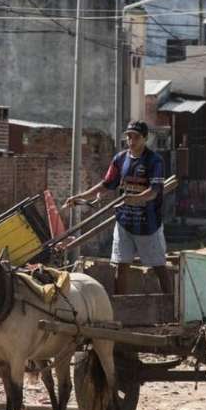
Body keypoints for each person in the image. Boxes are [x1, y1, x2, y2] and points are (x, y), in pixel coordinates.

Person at [64, 120, 170, 295]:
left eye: (135, 137)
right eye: (129, 136)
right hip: (124, 222)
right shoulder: (120, 159)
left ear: (145, 138)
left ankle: (169, 306)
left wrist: (135, 199)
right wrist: (80, 197)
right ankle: (121, 306)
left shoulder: (154, 161)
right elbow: (106, 185)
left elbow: (154, 192)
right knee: (121, 266)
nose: (131, 140)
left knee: (159, 267)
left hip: (148, 225)